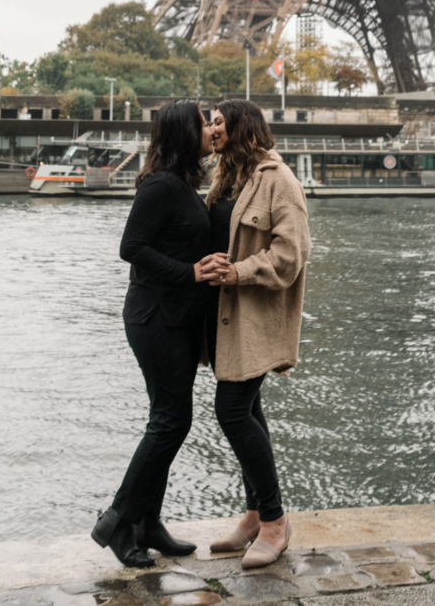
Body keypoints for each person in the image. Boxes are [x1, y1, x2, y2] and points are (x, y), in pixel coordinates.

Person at [91, 100, 212, 569]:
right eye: (203, 123)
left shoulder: (181, 182)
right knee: (170, 421)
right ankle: (119, 519)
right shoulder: (161, 186)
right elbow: (131, 248)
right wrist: (192, 273)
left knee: (169, 419)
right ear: (185, 132)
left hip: (173, 319)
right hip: (154, 318)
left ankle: (148, 523)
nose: (209, 129)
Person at [200, 99, 312, 569]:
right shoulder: (225, 177)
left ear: (243, 125)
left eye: (220, 121)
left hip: (255, 315)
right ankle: (252, 516)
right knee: (249, 411)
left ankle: (273, 521)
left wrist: (239, 272)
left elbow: (292, 254)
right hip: (224, 315)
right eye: (209, 122)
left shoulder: (279, 181)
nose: (212, 128)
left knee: (231, 410)